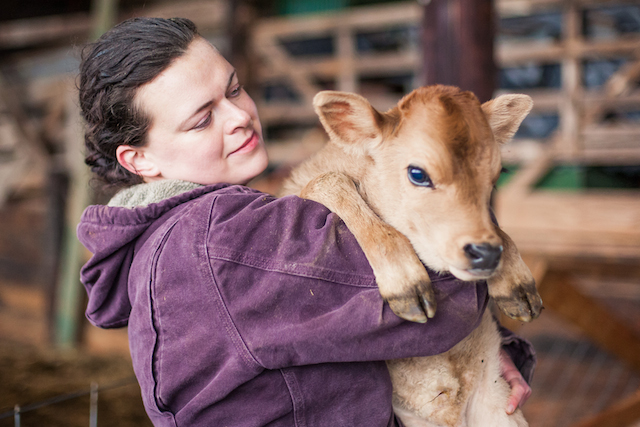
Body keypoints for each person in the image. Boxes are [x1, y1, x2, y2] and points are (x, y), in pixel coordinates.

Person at [77, 17, 534, 427]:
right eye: (201, 120)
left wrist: (484, 362)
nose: (239, 117)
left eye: (234, 89)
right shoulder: (217, 238)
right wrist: (447, 180)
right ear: (140, 158)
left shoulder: (179, 239)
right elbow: (435, 308)